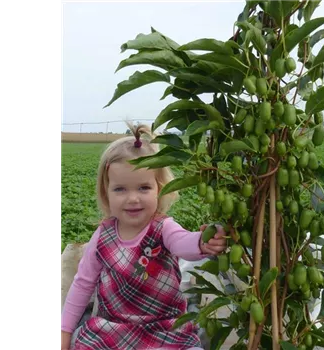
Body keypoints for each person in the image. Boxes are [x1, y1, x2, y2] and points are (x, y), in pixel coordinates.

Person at [59, 122, 227, 350]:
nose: (132, 198)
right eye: (120, 189)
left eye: (143, 188)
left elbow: (183, 242)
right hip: (113, 329)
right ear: (106, 193)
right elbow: (82, 284)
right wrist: (65, 331)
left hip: (165, 329)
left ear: (160, 188)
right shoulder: (102, 236)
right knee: (84, 342)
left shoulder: (163, 228)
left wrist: (202, 241)